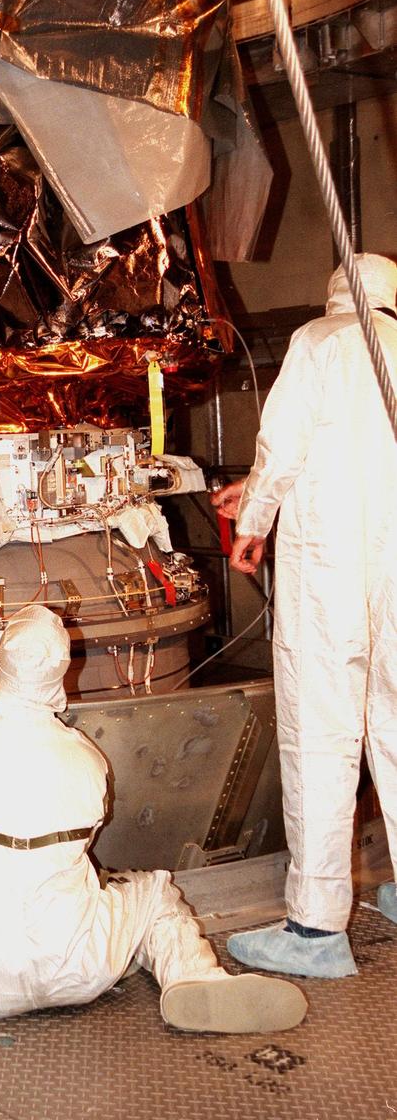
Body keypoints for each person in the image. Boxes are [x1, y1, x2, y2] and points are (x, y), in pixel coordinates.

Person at [0, 604, 307, 1031]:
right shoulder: (85, 757)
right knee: (152, 894)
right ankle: (193, 976)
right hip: (80, 975)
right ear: (62, 672)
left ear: (0, 660)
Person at [211, 252, 397, 976]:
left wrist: (254, 518)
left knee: (320, 731)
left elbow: (285, 446)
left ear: (334, 296)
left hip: (329, 570)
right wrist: (259, 492)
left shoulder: (319, 341)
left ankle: (315, 931)